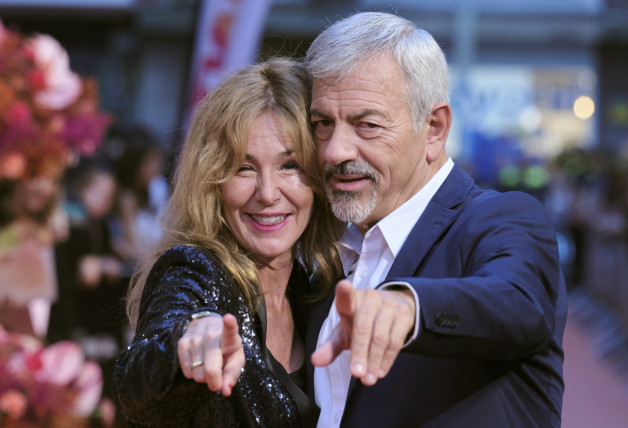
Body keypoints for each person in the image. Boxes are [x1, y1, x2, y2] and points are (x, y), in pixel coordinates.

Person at [304, 11, 567, 427]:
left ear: (434, 129)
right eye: (322, 124)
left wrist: (410, 305)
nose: (334, 151)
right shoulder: (326, 254)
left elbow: (518, 299)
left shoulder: (502, 218)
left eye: (367, 125)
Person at [113, 57, 343, 427]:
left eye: (290, 166)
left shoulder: (318, 291)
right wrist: (191, 337)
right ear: (213, 182)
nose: (268, 194)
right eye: (244, 168)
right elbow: (137, 379)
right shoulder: (191, 270)